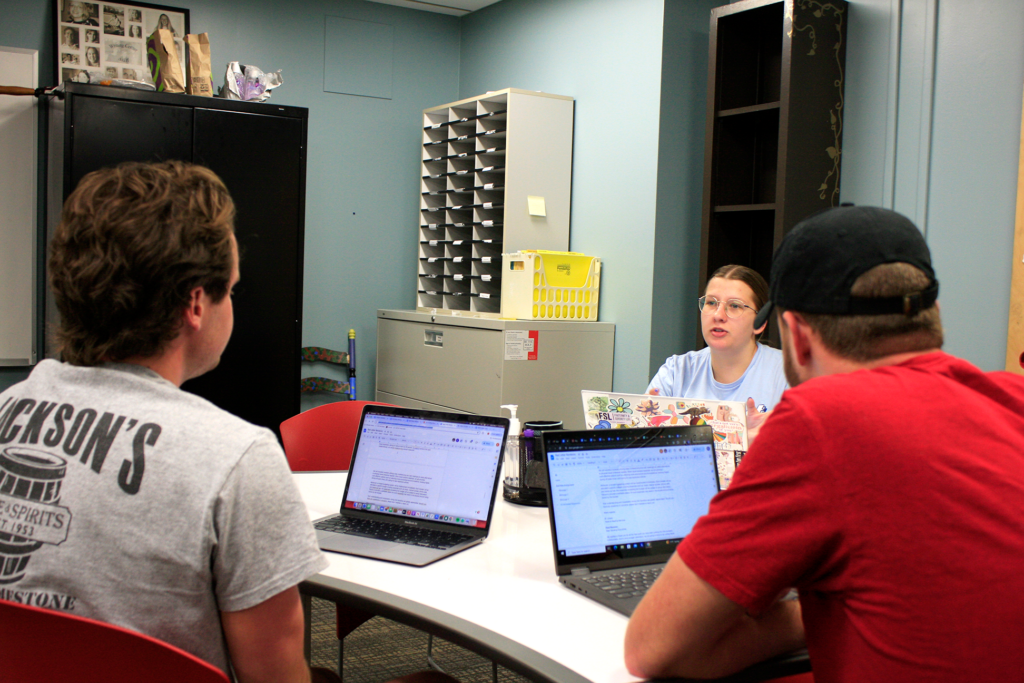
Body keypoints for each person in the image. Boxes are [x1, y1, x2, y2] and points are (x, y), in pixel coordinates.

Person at [624, 206, 1024, 682]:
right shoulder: (1011, 397)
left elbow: (650, 649)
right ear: (932, 315)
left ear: (797, 337)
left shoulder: (820, 423)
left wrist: (806, 615)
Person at [0, 161, 329, 682]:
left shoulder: (7, 408)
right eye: (233, 290)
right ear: (196, 303)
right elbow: (276, 677)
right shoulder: (236, 458)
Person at [647, 264, 789, 419]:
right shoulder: (676, 372)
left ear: (760, 323)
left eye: (734, 306)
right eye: (711, 303)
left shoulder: (789, 374)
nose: (718, 315)